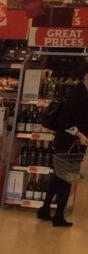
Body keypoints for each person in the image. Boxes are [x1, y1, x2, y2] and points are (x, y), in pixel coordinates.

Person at [37, 63, 88, 227]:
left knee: (58, 176)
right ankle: (59, 216)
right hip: (69, 143)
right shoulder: (77, 94)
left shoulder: (81, 93)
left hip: (68, 143)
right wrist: (79, 134)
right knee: (67, 179)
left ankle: (45, 209)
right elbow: (66, 122)